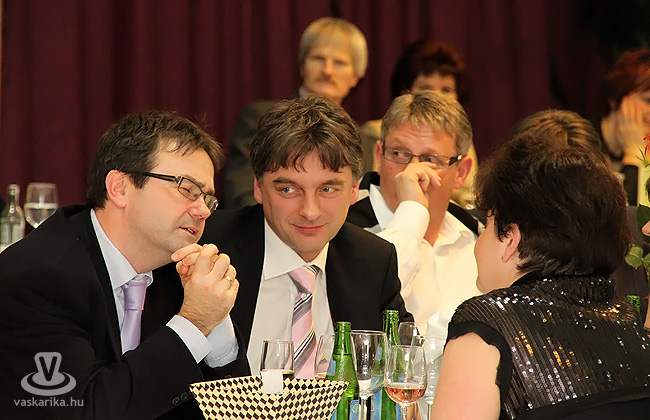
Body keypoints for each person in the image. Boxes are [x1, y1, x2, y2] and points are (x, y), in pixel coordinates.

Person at [0, 111, 250, 419]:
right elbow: (84, 411)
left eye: (208, 199)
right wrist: (195, 322)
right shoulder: (38, 277)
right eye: (187, 189)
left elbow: (237, 411)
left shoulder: (179, 274)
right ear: (120, 187)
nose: (203, 211)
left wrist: (215, 319)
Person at [430, 135, 650, 419]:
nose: (480, 240)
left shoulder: (487, 323)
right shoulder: (631, 325)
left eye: (487, 225)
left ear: (511, 239)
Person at [199, 96, 412, 376]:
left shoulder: (373, 262)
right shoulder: (208, 247)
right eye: (288, 190)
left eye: (327, 189)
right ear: (258, 188)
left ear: (353, 190)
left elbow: (402, 366)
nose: (310, 212)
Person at [347, 90, 481, 336]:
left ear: (461, 172)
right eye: (399, 154)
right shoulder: (343, 228)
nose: (412, 171)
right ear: (378, 157)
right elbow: (364, 309)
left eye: (431, 159)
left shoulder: (478, 236)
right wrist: (412, 211)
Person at [223, 17, 371, 209]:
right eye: (318, 59)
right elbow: (243, 193)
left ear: (356, 76)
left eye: (340, 63)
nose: (327, 71)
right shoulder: (261, 118)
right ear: (302, 66)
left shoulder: (363, 141)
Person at [359, 40, 478, 208]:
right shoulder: (374, 133)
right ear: (404, 92)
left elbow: (469, 198)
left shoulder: (460, 139)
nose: (436, 97)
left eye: (446, 90)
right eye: (426, 88)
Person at [595, 48, 650, 204]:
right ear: (614, 98)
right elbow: (621, 215)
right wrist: (634, 153)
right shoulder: (578, 142)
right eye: (648, 101)